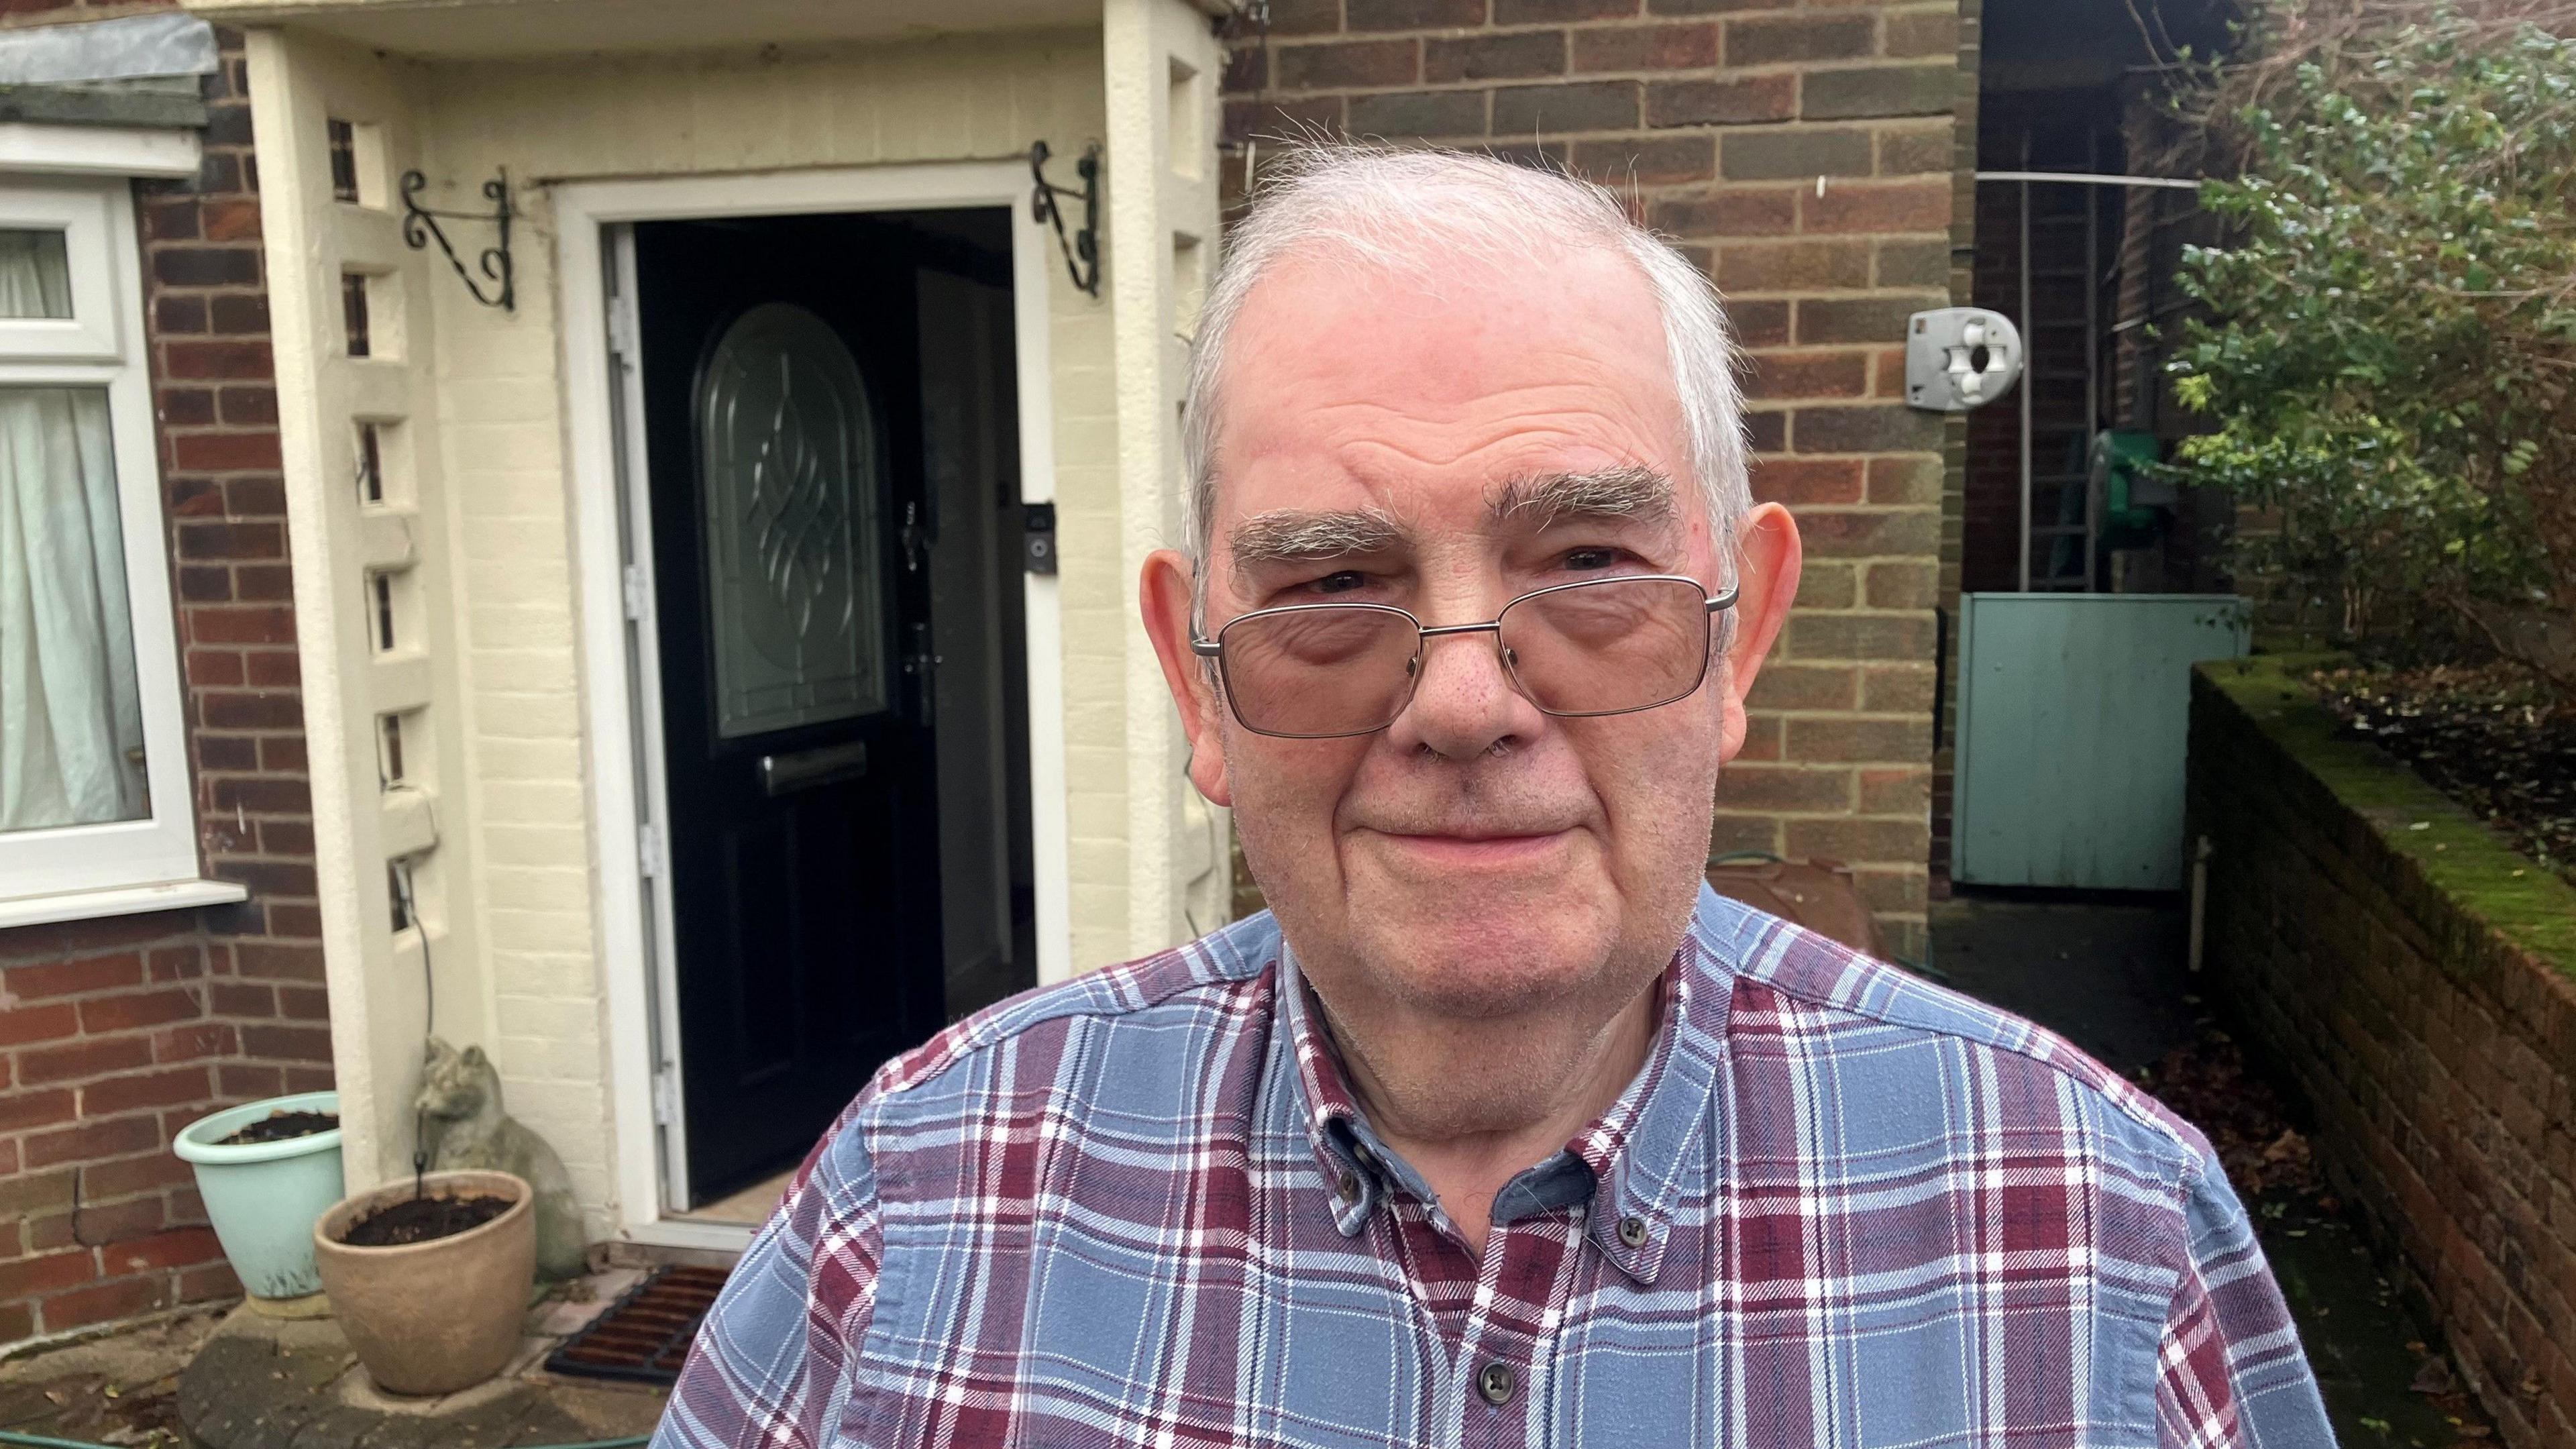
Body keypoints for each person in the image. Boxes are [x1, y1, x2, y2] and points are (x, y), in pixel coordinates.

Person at [655, 144, 2334, 1448]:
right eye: (1328, 582)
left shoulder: (2098, 1238)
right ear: (1198, 677)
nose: (1464, 700)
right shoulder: (921, 1201)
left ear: (1739, 636)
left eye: (1589, 560)